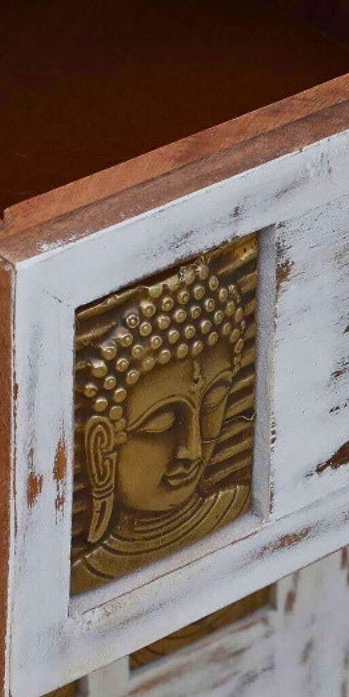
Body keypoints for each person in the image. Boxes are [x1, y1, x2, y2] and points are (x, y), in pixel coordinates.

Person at [72, 253, 252, 594]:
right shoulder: (75, 581)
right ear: (100, 447)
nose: (191, 449)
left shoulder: (240, 507)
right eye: (162, 422)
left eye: (213, 404)